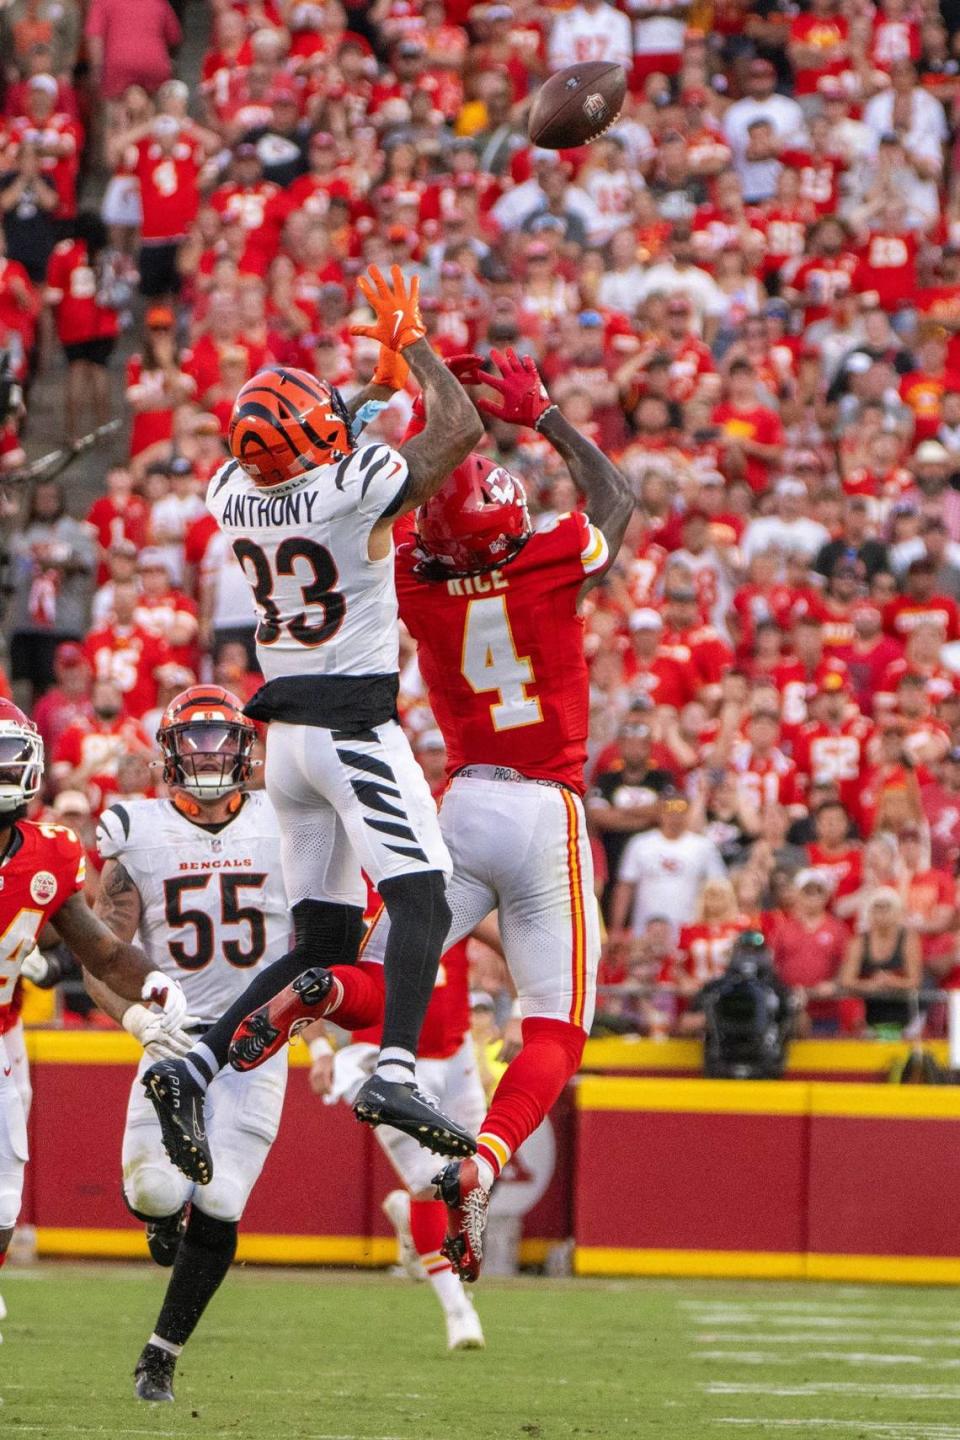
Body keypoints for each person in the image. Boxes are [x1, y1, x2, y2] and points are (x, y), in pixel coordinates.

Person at [230, 345, 634, 1284]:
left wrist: (380, 394)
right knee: (556, 1028)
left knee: (383, 966)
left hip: (461, 802)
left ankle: (323, 992)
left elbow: (373, 514)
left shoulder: (411, 574)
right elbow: (615, 501)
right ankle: (481, 1161)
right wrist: (546, 417)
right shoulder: (547, 557)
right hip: (547, 810)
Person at [141, 265, 485, 1186]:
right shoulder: (350, 488)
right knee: (425, 895)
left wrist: (372, 393)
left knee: (324, 945)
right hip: (352, 729)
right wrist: (411, 344)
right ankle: (399, 1070)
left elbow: (308, 442)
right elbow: (460, 432)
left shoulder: (230, 493)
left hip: (283, 742)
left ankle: (196, 1061)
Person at [82, 686, 291, 1403]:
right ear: (168, 754)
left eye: (221, 740)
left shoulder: (287, 819)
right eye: (193, 742)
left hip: (255, 1039)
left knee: (224, 1199)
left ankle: (160, 1356)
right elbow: (102, 954)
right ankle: (163, 1218)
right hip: (175, 1035)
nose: (209, 756)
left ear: (245, 748)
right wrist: (138, 1022)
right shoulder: (135, 830)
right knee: (155, 1190)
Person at [0, 698, 188, 1308]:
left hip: (2, 1037)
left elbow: (101, 951)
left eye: (7, 756)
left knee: (3, 1198)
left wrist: (153, 985)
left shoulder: (48, 853)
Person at [305, 935, 486, 1352]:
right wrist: (319, 1046)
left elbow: (517, 929)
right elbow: (305, 966)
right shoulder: (354, 887)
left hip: (456, 1053)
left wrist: (518, 1009)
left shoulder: (457, 880)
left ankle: (411, 1216)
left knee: (474, 1178)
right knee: (428, 1182)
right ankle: (458, 1308)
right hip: (387, 1059)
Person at [610, 788, 727, 941]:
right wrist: (616, 928)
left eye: (680, 810)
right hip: (645, 931)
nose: (675, 816)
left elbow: (718, 888)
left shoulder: (704, 846)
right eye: (669, 810)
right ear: (659, 813)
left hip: (690, 930)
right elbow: (625, 887)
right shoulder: (640, 843)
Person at [838, 887, 922, 1033]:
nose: (882, 914)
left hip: (903, 1014)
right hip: (868, 1015)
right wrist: (870, 985)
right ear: (869, 912)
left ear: (897, 912)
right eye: (877, 908)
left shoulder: (908, 939)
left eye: (887, 908)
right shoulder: (858, 942)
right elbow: (846, 980)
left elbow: (915, 980)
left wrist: (890, 981)